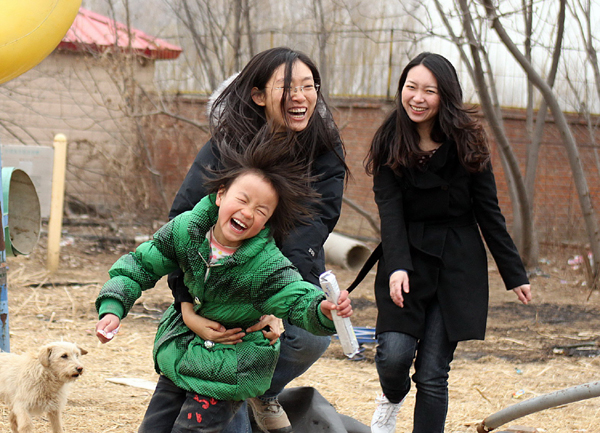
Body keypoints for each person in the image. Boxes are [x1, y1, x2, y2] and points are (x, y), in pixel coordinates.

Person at [95, 141, 353, 432]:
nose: (247, 212)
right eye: (242, 200)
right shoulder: (186, 230)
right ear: (220, 194)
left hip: (229, 368)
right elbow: (140, 265)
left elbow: (296, 297)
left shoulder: (265, 264)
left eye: (261, 210)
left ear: (268, 221)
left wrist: (322, 311)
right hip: (181, 354)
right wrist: (113, 307)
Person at [168, 46, 348, 433]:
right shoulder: (226, 146)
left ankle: (258, 389)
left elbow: (309, 234)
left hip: (283, 273)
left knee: (309, 341)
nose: (300, 97)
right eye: (287, 88)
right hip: (219, 282)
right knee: (228, 367)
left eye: (309, 86)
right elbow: (180, 224)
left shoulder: (324, 151)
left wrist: (274, 306)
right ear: (258, 95)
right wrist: (186, 304)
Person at [364, 52, 532, 433]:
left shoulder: (467, 142)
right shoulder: (389, 140)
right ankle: (391, 396)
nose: (417, 98)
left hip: (457, 264)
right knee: (394, 356)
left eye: (429, 90)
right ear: (401, 90)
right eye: (411, 87)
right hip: (405, 255)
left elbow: (488, 212)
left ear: (445, 96)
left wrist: (514, 272)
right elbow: (389, 211)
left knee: (433, 373)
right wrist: (398, 266)